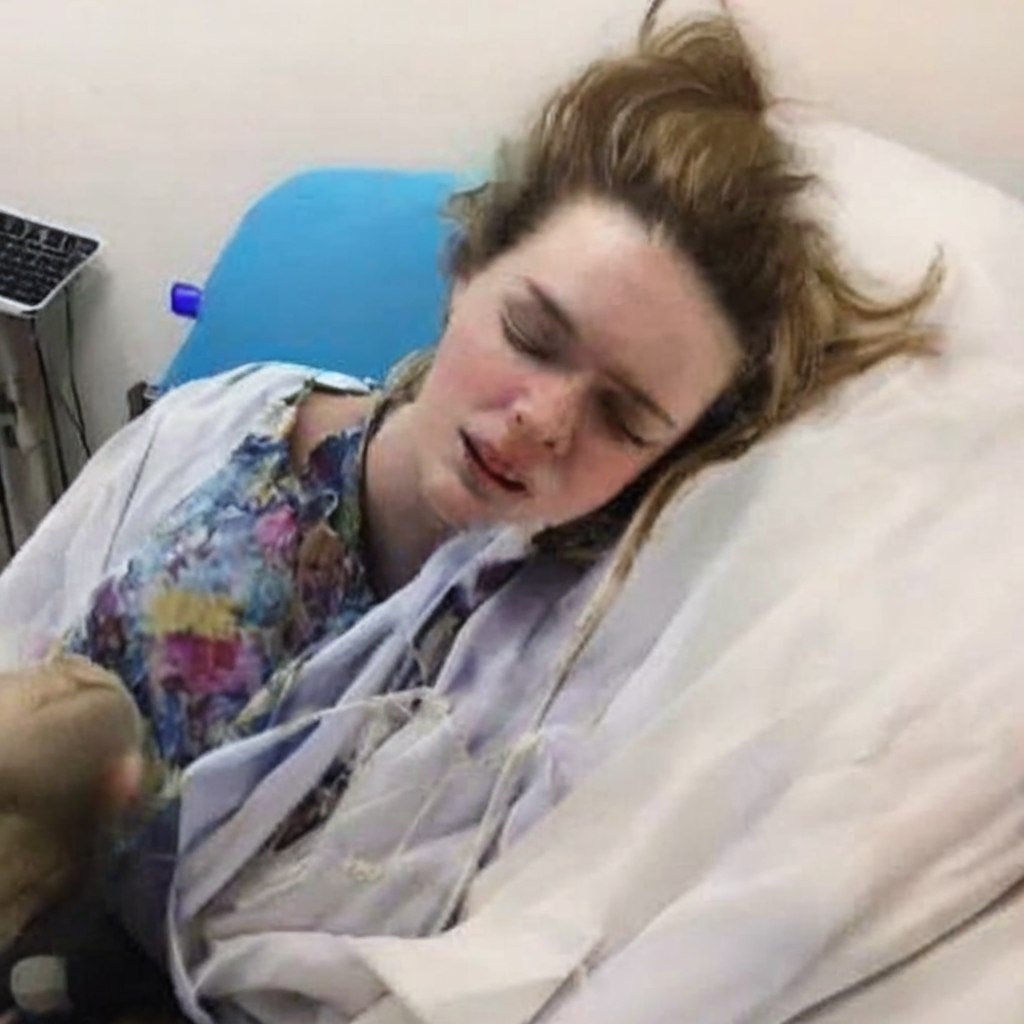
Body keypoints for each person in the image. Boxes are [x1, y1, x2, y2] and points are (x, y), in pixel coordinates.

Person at [0, 5, 942, 1021]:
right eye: (532, 334)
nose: (543, 420)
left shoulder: (578, 688)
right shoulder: (215, 427)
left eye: (624, 416)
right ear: (465, 271)